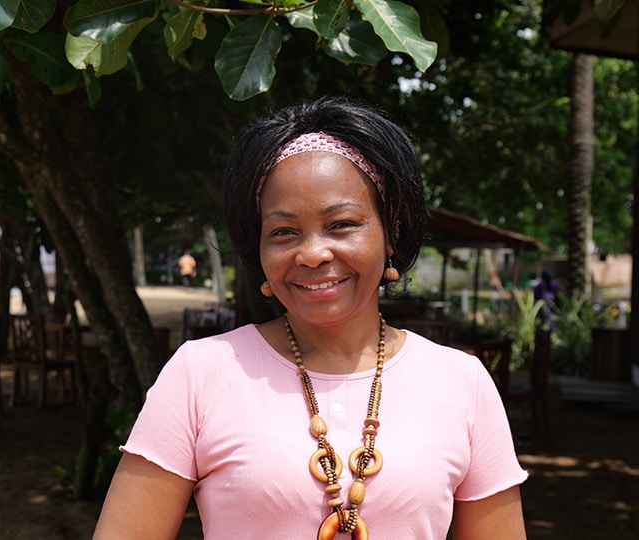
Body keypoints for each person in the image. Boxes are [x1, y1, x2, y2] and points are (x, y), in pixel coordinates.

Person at [93, 97, 528, 539]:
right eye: (283, 232)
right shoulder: (199, 374)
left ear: (391, 231)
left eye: (341, 224)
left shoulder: (463, 383)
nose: (313, 254)